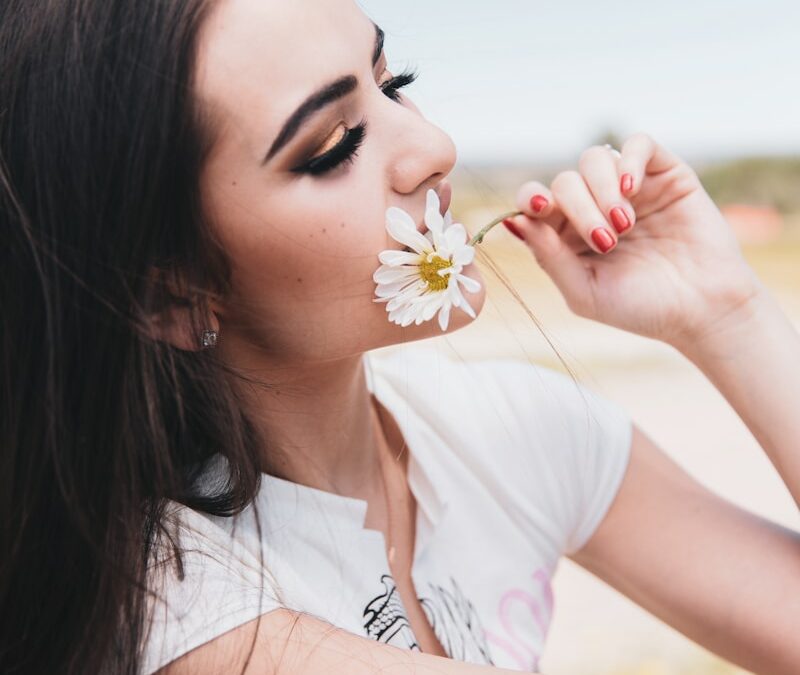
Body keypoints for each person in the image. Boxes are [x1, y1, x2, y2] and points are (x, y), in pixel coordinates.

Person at [1, 1, 798, 674]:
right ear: (172, 293)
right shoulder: (170, 597)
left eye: (395, 85)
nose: (433, 149)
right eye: (333, 147)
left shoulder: (509, 428)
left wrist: (724, 311)